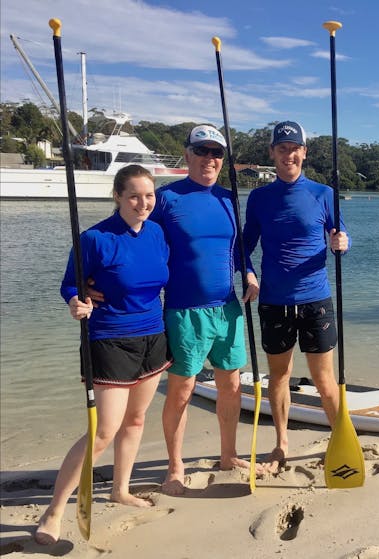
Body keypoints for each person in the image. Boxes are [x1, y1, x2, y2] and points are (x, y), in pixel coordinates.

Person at [35, 165, 171, 545]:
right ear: (117, 196)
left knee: (137, 420)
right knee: (102, 431)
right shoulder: (94, 239)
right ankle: (55, 510)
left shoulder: (157, 233)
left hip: (153, 336)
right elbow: (69, 286)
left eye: (149, 196)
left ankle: (120, 489)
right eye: (134, 196)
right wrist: (76, 303)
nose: (143, 203)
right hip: (109, 340)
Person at [242, 120, 350, 475]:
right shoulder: (259, 198)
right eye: (282, 148)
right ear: (272, 153)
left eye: (295, 148)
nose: (289, 154)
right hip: (274, 301)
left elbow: (341, 236)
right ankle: (281, 444)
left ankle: (340, 441)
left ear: (304, 152)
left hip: (316, 300)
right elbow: (245, 246)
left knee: (324, 380)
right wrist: (248, 273)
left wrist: (341, 244)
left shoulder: (323, 194)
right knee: (279, 377)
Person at [149, 124, 248, 495]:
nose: (210, 159)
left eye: (216, 153)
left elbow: (238, 251)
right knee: (181, 390)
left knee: (232, 385)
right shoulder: (165, 199)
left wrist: (250, 273)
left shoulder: (228, 198)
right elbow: (138, 243)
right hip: (183, 311)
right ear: (187, 154)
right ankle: (175, 467)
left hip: (227, 308)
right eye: (202, 151)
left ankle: (228, 454)